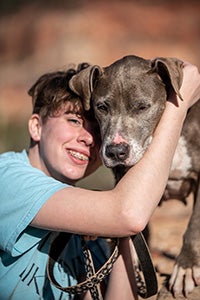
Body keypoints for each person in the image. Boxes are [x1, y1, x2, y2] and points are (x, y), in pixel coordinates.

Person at [0, 60, 200, 300]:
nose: (90, 139)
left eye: (96, 130)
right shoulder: (7, 178)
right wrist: (178, 105)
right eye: (74, 121)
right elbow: (128, 215)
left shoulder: (89, 236)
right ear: (36, 126)